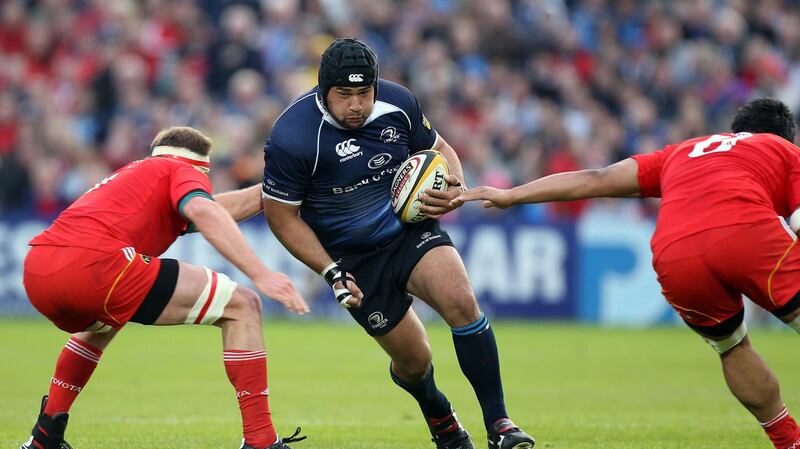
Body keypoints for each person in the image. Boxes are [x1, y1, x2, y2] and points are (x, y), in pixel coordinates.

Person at [453, 97, 800, 449]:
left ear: (734, 132)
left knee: (732, 347)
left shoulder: (683, 151)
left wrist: (512, 195)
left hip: (674, 253)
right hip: (748, 235)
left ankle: (788, 441)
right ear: (786, 137)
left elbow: (597, 179)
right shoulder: (784, 151)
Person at [260, 37, 535, 449]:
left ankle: (500, 425)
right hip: (353, 260)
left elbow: (440, 150)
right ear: (323, 90)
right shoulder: (293, 136)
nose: (356, 105)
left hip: (409, 232)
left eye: (364, 93)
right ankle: (441, 418)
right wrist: (330, 271)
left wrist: (453, 185)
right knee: (414, 360)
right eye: (345, 95)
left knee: (460, 301)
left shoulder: (399, 103)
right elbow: (281, 216)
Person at [19, 126, 310, 449]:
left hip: (39, 269)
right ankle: (261, 440)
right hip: (96, 266)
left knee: (102, 326)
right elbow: (203, 209)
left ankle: (45, 436)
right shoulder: (181, 169)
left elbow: (208, 209)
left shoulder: (140, 173)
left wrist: (271, 191)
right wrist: (261, 273)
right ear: (201, 167)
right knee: (243, 305)